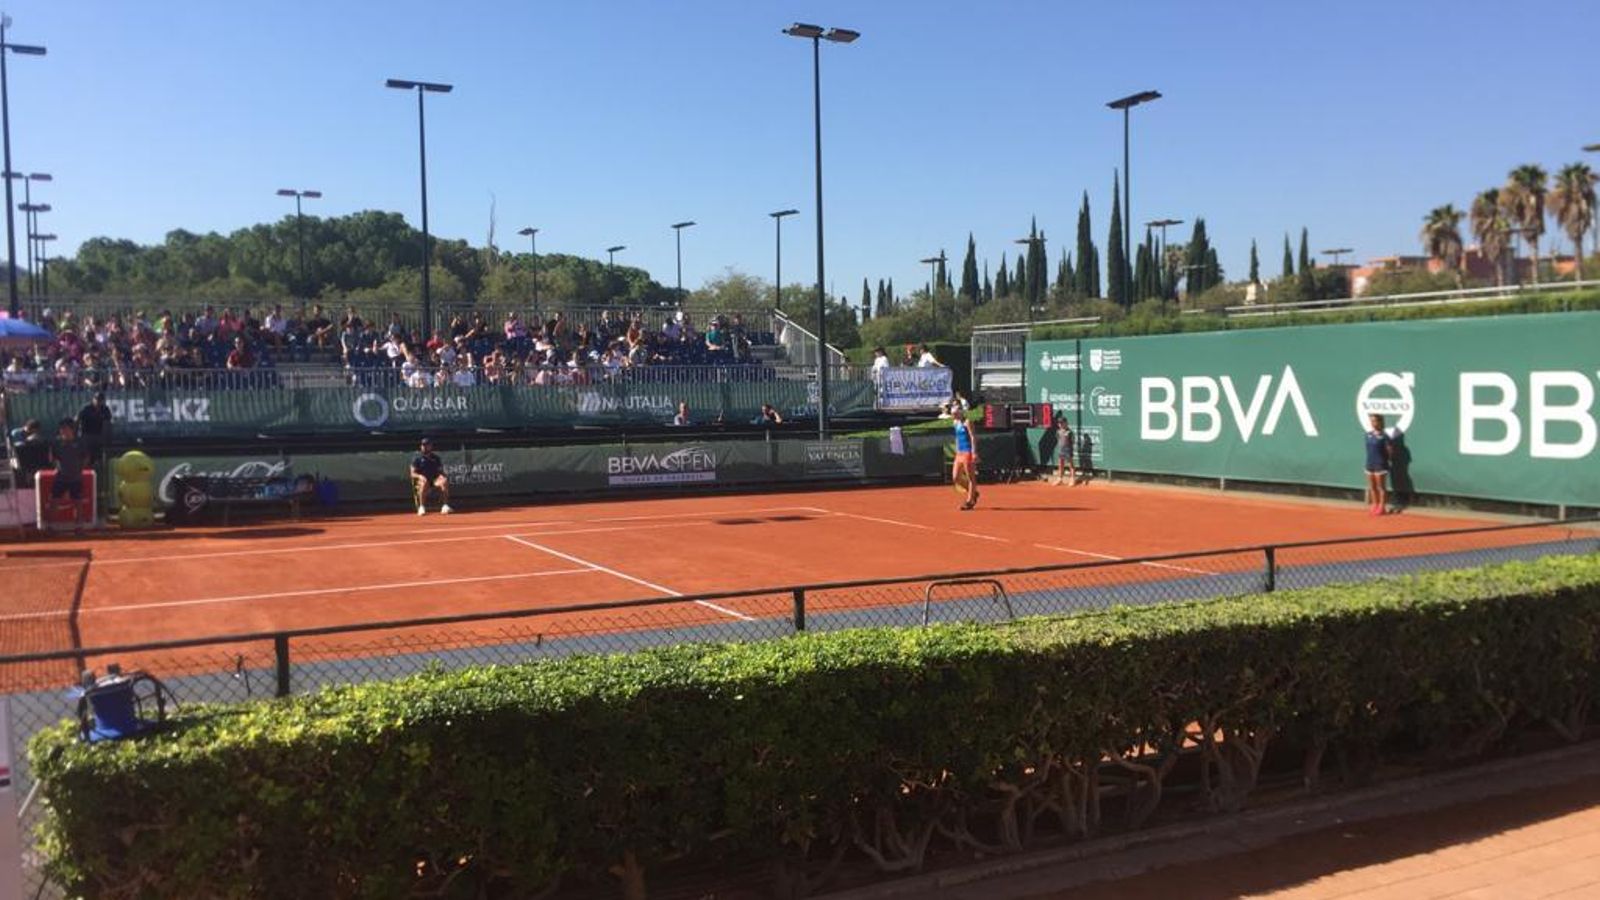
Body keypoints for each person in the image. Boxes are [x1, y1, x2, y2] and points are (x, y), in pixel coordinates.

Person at [49, 419, 88, 533]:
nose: (63, 431)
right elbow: (52, 459)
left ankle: (79, 527)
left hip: (76, 478)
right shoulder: (56, 444)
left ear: (72, 430)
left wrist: (79, 469)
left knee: (78, 503)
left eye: (66, 429)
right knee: (54, 501)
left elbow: (86, 457)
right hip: (60, 477)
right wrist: (57, 467)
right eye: (61, 429)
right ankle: (51, 527)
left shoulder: (80, 443)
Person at [410, 437, 452, 516]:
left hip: (434, 480)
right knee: (424, 481)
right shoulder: (416, 459)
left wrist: (443, 476)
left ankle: (445, 506)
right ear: (421, 447)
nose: (425, 447)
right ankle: (421, 507)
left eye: (427, 445)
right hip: (422, 481)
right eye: (423, 445)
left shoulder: (436, 458)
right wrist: (420, 476)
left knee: (444, 481)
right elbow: (412, 473)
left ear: (431, 446)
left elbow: (440, 471)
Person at [1363, 413, 1392, 516]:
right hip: (1369, 464)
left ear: (1380, 422)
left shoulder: (1385, 436)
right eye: (1371, 421)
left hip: (1380, 464)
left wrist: (1386, 461)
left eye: (1375, 421)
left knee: (1381, 487)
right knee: (1372, 487)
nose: (1373, 423)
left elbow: (1389, 452)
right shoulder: (1367, 435)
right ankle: (1374, 505)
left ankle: (1382, 507)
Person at [952, 409, 980, 511]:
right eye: (952, 414)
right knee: (956, 477)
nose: (953, 416)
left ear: (960, 413)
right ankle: (973, 493)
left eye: (955, 414)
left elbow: (973, 437)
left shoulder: (968, 422)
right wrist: (957, 449)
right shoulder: (955, 423)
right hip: (959, 453)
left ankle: (970, 501)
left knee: (970, 477)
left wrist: (974, 453)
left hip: (968, 452)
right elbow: (957, 437)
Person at [1054, 413, 1078, 486]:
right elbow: (1058, 439)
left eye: (1062, 423)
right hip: (1061, 450)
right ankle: (1059, 479)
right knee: (1060, 465)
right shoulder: (1058, 432)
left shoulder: (1070, 432)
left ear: (1066, 423)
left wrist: (1068, 448)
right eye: (1059, 423)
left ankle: (1072, 479)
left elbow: (1073, 441)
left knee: (1071, 465)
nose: (1060, 424)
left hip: (1068, 450)